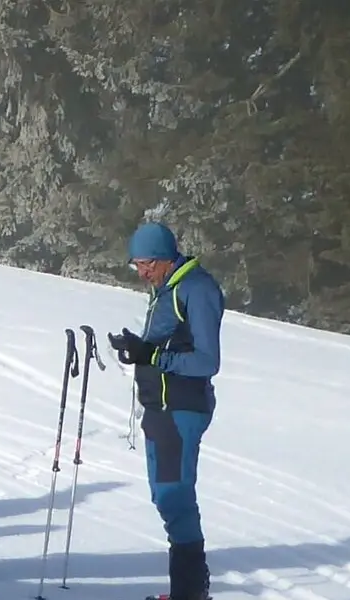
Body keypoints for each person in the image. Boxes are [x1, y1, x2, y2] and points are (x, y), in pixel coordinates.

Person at [108, 222, 223, 600]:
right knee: (166, 497)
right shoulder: (167, 289)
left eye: (146, 265)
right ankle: (188, 592)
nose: (141, 273)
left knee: (174, 496)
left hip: (181, 408)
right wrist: (138, 347)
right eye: (136, 265)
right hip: (161, 407)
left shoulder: (196, 289)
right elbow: (168, 343)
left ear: (164, 258)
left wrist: (153, 355)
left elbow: (207, 360)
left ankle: (191, 593)